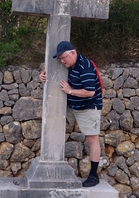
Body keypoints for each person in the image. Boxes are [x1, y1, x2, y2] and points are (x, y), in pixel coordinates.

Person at [39, 41, 102, 187]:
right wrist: (42, 76)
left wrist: (70, 91)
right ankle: (50, 165)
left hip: (88, 106)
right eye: (60, 59)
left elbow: (90, 91)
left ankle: (93, 176)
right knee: (52, 125)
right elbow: (53, 73)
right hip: (71, 105)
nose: (62, 61)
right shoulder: (69, 64)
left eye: (63, 58)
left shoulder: (84, 67)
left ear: (73, 52)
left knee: (92, 139)